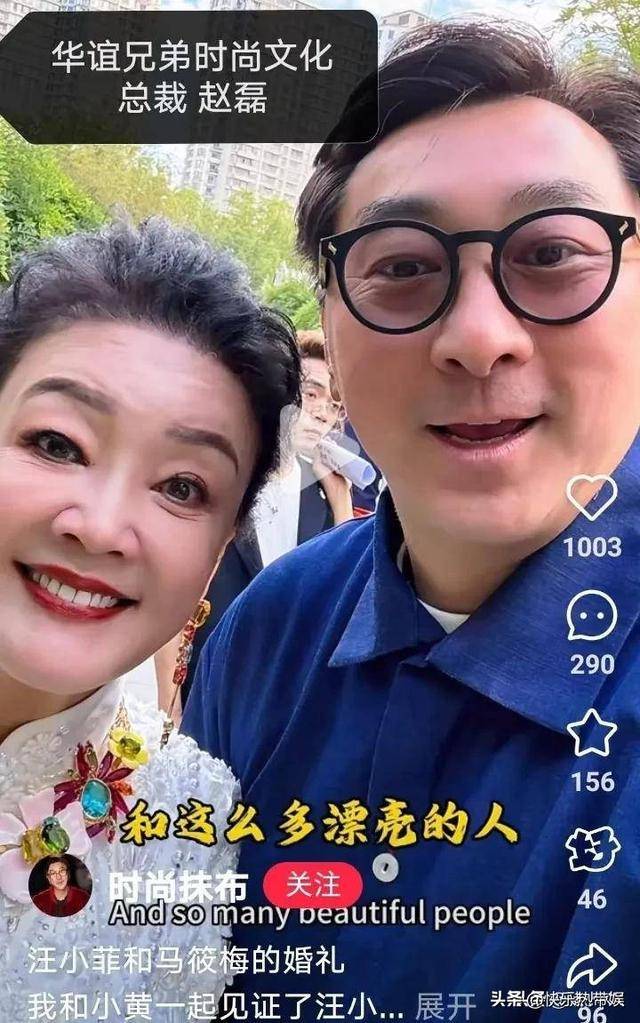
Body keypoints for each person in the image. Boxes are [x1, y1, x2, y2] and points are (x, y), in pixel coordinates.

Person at [183, 18, 640, 1019]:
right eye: (400, 267)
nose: (477, 337)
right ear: (328, 320)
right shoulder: (269, 630)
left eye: (552, 253)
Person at [0, 216, 300, 1020]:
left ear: (218, 551)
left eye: (182, 487)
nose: (100, 527)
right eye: (56, 443)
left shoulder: (189, 825)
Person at [177, 330, 353, 707]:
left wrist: (342, 504)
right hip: (204, 686)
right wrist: (170, 703)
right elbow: (178, 591)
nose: (322, 411)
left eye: (334, 405)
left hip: (282, 696)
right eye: (312, 394)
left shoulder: (322, 499)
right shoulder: (226, 479)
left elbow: (345, 599)